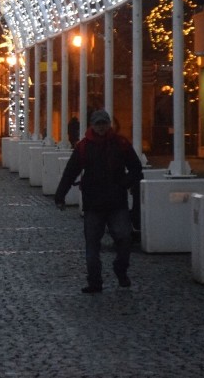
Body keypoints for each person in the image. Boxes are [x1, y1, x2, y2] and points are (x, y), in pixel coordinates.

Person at [54, 110, 143, 293]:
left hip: (116, 201)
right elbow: (71, 171)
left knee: (125, 237)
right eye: (98, 123)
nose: (101, 127)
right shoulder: (84, 146)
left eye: (104, 123)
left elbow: (136, 167)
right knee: (92, 244)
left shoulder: (121, 143)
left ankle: (120, 268)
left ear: (109, 124)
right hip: (93, 202)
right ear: (92, 125)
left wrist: (124, 184)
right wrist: (60, 194)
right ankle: (94, 280)